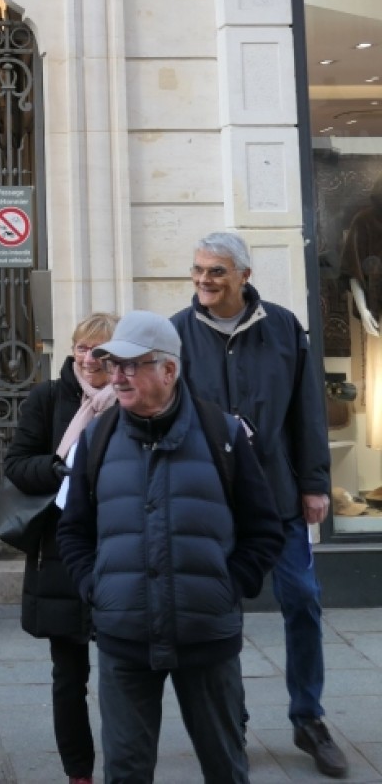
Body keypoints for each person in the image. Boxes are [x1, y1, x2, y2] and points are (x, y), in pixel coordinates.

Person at [57, 310, 284, 784]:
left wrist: (227, 587)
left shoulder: (223, 435)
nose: (116, 376)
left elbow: (264, 529)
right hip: (124, 636)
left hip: (206, 636)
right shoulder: (97, 437)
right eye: (112, 364)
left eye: (130, 365)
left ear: (168, 370)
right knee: (126, 770)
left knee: (225, 767)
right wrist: (97, 588)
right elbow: (73, 531)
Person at [172, 232, 346, 779]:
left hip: (277, 497)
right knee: (221, 613)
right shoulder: (177, 332)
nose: (203, 280)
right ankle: (233, 722)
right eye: (198, 269)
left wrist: (314, 483)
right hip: (210, 500)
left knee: (303, 598)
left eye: (216, 271)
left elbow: (307, 411)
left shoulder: (284, 327)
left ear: (244, 276)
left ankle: (308, 717)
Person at [4, 311, 118, 784]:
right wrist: (58, 469)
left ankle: (126, 766)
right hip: (62, 552)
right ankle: (79, 772)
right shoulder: (49, 397)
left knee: (122, 675)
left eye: (101, 351)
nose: (89, 359)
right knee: (69, 676)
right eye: (82, 348)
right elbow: (16, 463)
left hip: (118, 549)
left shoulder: (132, 400)